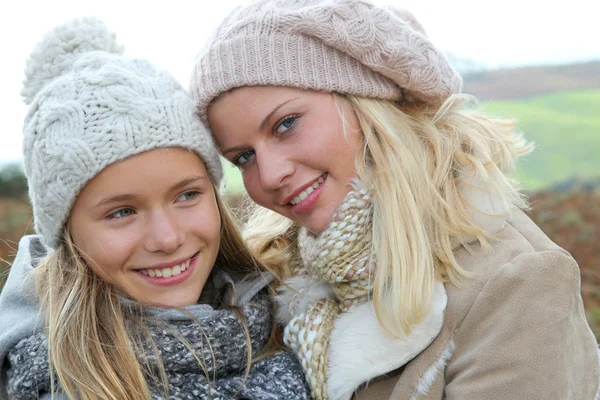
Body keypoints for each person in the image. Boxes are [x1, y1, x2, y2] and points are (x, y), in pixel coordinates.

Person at [189, 0, 600, 399]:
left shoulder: (514, 282)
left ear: (366, 103)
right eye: (243, 157)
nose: (270, 174)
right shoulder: (277, 280)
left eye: (286, 124)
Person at [0, 17, 310, 400]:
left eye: (186, 195)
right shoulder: (55, 384)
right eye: (121, 212)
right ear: (67, 233)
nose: (168, 238)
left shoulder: (296, 319)